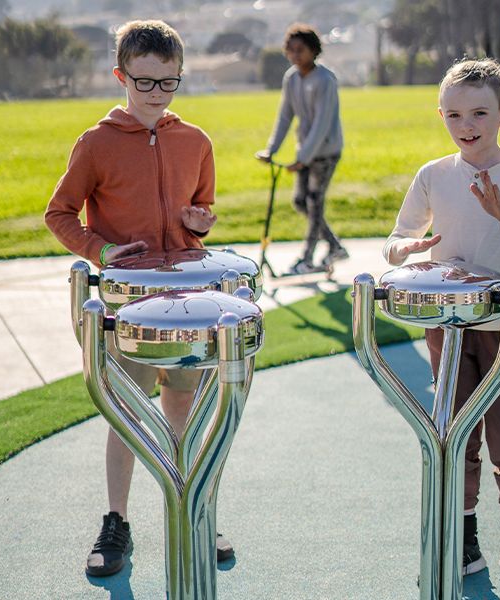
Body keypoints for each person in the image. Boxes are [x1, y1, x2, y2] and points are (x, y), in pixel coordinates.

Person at [45, 19, 234, 577]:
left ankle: (195, 504)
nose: (156, 95)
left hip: (186, 305)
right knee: (127, 415)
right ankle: (116, 522)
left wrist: (199, 224)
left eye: (168, 83)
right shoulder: (95, 143)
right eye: (144, 82)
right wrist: (99, 252)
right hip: (127, 308)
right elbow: (59, 214)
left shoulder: (196, 141)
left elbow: (198, 216)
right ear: (120, 76)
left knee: (184, 409)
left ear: (180, 77)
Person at [383, 58, 500, 595]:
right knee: (457, 440)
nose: (467, 125)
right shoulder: (434, 175)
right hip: (449, 329)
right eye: (454, 115)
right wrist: (408, 250)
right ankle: (463, 539)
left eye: (480, 112)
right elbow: (395, 243)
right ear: (441, 115)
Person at [257, 23, 349, 274]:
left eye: (301, 49)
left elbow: (321, 123)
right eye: (291, 49)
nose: (295, 55)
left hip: (325, 151)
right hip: (306, 152)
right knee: (300, 202)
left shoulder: (325, 80)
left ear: (313, 51)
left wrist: (302, 158)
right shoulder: (292, 78)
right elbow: (285, 116)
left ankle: (307, 259)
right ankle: (335, 246)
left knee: (314, 202)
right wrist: (271, 149)